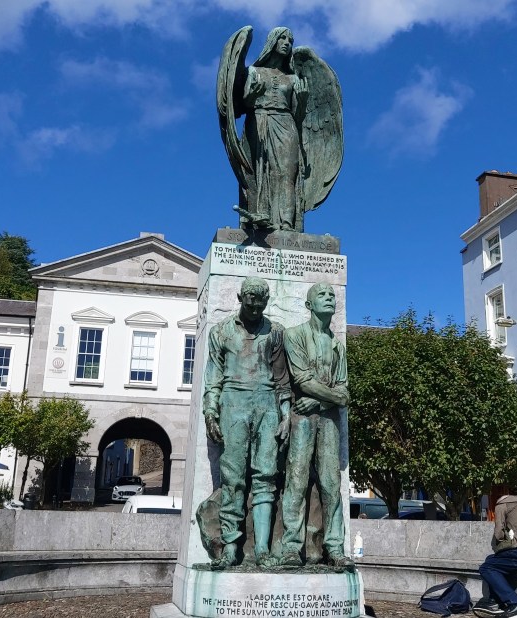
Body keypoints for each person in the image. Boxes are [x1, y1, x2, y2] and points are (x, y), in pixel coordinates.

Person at [203, 277, 292, 569]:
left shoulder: (276, 332)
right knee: (232, 478)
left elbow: (282, 380)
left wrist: (286, 415)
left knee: (266, 476)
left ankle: (262, 549)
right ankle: (230, 548)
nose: (255, 308)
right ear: (240, 297)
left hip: (267, 404)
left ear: (267, 303)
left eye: (260, 304)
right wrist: (210, 412)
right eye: (250, 302)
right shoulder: (220, 332)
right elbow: (213, 377)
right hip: (233, 403)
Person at [277, 282, 350, 567]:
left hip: (327, 418)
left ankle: (335, 547)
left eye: (332, 295)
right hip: (301, 418)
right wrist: (331, 397)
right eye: (322, 295)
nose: (329, 298)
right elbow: (302, 380)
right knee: (296, 481)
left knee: (331, 484)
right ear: (309, 305)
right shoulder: (294, 335)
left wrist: (319, 402)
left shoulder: (337, 345)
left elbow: (344, 393)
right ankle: (291, 547)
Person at [234, 27, 308, 232]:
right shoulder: (254, 71)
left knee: (288, 172)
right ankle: (259, 216)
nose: (287, 43)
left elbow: (298, 117)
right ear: (273, 41)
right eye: (282, 38)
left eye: (290, 40)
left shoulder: (293, 79)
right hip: (258, 120)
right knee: (258, 170)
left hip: (285, 123)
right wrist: (251, 97)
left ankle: (287, 223)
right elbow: (242, 105)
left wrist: (302, 102)